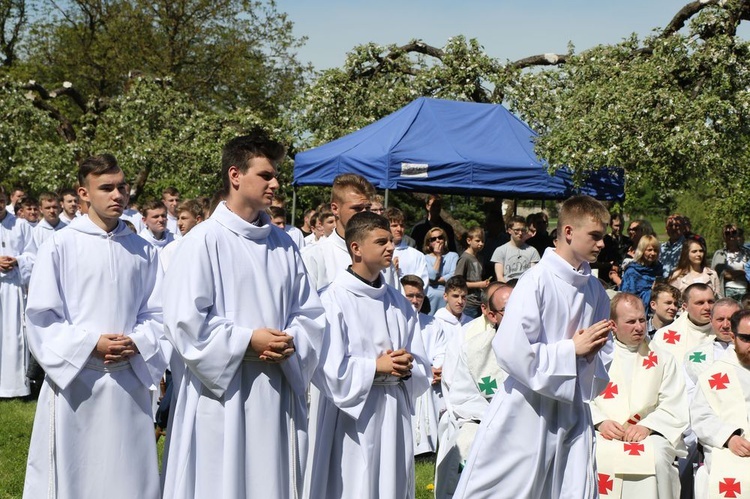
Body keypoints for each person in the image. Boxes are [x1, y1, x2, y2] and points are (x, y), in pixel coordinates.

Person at [161, 133, 325, 498]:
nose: (276, 183)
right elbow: (184, 321)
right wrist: (249, 340)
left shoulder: (284, 244)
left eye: (275, 175)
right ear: (235, 175)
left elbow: (310, 312)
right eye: (266, 175)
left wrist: (291, 339)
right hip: (222, 393)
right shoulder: (204, 241)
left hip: (276, 384)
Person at [22, 154, 166, 499]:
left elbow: (157, 313)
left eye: (122, 187)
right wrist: (90, 343)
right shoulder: (59, 245)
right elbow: (42, 317)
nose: (118, 195)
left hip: (128, 378)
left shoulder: (144, 250)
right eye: (106, 188)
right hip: (77, 379)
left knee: (127, 470)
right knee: (78, 471)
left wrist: (138, 342)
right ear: (83, 193)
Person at [453, 195, 613, 499]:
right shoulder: (535, 281)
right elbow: (510, 350)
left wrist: (589, 354)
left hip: (571, 409)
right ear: (568, 232)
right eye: (595, 235)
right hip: (527, 408)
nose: (602, 243)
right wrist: (570, 351)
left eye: (602, 236)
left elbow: (602, 353)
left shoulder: (595, 290)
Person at [306, 212, 429, 498]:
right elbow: (327, 369)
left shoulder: (398, 301)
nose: (390, 247)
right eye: (381, 241)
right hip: (352, 416)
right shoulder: (333, 298)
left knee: (392, 483)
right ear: (356, 248)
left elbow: (420, 361)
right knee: (353, 483)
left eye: (391, 241)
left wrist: (407, 366)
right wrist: (375, 367)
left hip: (393, 409)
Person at [590, 293, 688, 499]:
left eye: (642, 320)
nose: (639, 327)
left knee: (657, 458)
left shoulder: (664, 359)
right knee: (597, 455)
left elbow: (673, 402)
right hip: (604, 433)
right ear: (613, 326)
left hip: (651, 433)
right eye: (631, 321)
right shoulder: (595, 357)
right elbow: (581, 398)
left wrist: (647, 425)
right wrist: (600, 422)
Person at [435, 284, 513, 499]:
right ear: (489, 312)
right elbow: (458, 392)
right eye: (508, 309)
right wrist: (492, 420)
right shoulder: (472, 344)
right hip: (480, 425)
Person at [303, 173, 401, 292]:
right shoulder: (314, 256)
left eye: (368, 208)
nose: (365, 214)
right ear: (335, 209)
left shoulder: (381, 255)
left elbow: (397, 303)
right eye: (357, 208)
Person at [690, 309, 750, 499]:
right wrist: (729, 437)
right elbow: (700, 417)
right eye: (746, 338)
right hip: (730, 446)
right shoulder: (714, 376)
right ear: (733, 337)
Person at [402, 274, 447, 456]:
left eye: (419, 296)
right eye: (410, 295)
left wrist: (438, 368)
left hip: (430, 380)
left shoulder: (432, 323)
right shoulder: (394, 320)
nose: (415, 300)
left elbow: (441, 350)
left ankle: (430, 447)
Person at [0, 187, 36, 398]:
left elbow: (34, 256)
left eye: (1, 200)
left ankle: (13, 387)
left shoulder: (20, 225)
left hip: (13, 289)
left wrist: (17, 261)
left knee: (14, 336)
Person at [651, 283, 716, 368]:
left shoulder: (725, 332)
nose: (707, 307)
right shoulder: (663, 335)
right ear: (685, 307)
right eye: (700, 303)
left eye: (711, 302)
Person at [619, 234, 664, 311]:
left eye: (655, 250)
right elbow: (628, 298)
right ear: (642, 251)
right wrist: (651, 292)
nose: (653, 253)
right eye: (649, 250)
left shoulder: (658, 269)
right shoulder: (632, 272)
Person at [386, 207, 429, 286]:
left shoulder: (417, 255)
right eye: (394, 225)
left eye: (402, 225)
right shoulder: (379, 253)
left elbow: (423, 283)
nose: (399, 229)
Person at [455, 227, 491, 319]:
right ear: (469, 241)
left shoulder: (480, 257)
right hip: (468, 302)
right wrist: (479, 284)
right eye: (478, 241)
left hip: (479, 300)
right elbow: (458, 282)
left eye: (483, 241)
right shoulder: (465, 258)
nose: (481, 244)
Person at [490, 215, 540, 283]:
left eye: (523, 230)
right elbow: (499, 277)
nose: (520, 233)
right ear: (509, 230)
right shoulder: (500, 250)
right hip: (507, 287)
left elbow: (534, 275)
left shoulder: (532, 251)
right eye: (517, 230)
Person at [424, 227, 459, 314]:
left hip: (448, 292)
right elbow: (431, 276)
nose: (438, 240)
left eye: (440, 237)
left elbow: (453, 275)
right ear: (429, 243)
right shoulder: (425, 258)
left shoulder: (453, 256)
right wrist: (439, 257)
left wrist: (437, 280)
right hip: (431, 295)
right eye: (433, 239)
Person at [711, 224, 750, 299]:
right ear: (724, 237)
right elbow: (724, 274)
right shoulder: (720, 254)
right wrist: (743, 271)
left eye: (734, 232)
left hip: (746, 291)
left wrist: (734, 274)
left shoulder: (747, 253)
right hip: (727, 291)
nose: (731, 235)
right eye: (727, 233)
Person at [660, 214, 688, 278]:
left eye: (677, 225)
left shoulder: (688, 247)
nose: (673, 228)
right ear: (666, 229)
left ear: (683, 228)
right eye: (670, 225)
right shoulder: (661, 248)